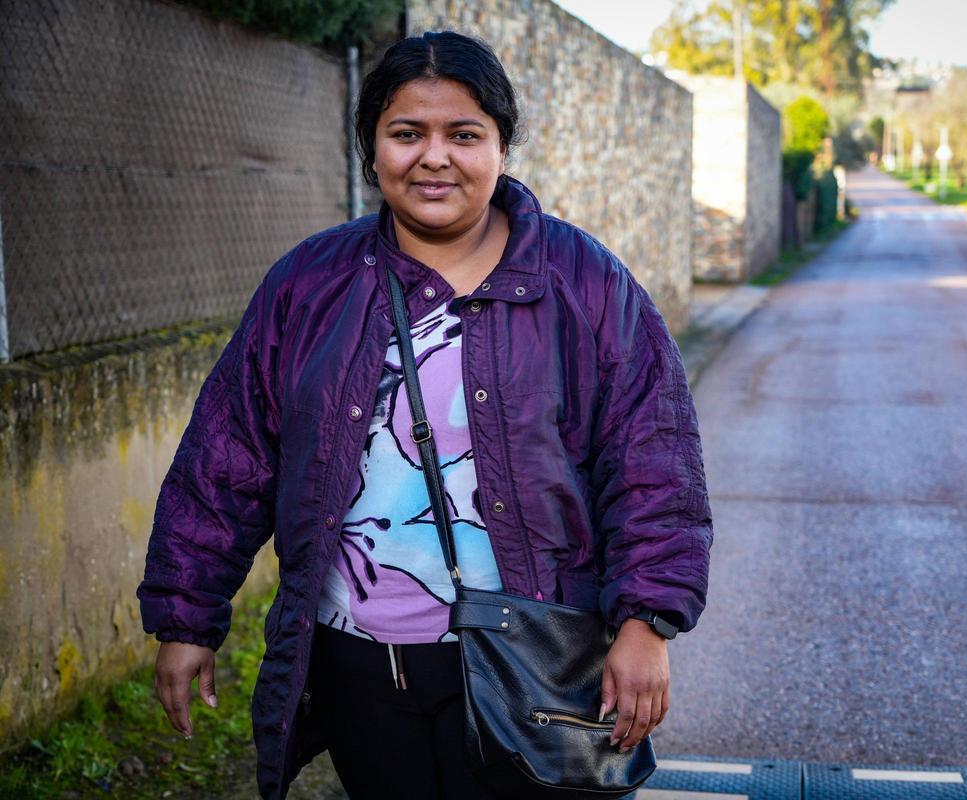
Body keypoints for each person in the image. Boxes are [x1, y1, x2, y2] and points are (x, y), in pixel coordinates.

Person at [138, 30, 712, 800]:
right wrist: (186, 618)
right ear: (371, 149)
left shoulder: (584, 283)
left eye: (464, 135)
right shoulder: (309, 283)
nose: (434, 157)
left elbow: (654, 464)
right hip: (356, 666)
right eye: (406, 133)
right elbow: (228, 456)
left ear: (502, 146)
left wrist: (647, 622)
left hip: (533, 661)